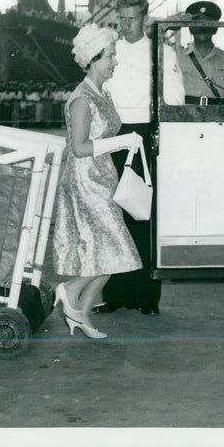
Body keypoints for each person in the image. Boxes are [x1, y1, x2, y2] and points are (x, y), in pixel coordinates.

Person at [51, 24, 144, 339]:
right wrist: (123, 141)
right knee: (114, 251)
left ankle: (80, 313)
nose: (115, 61)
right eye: (110, 56)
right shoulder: (81, 100)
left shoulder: (101, 93)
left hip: (104, 177)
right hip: (86, 180)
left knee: (110, 254)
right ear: (93, 58)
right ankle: (70, 291)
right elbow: (79, 148)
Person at [97, 0, 185, 315]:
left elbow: (175, 96)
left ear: (145, 18)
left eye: (132, 18)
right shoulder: (110, 51)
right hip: (114, 134)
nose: (126, 25)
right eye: (121, 19)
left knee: (143, 214)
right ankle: (116, 294)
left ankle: (147, 297)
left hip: (146, 134)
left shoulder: (161, 52)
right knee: (114, 213)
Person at [176, 1, 224, 105]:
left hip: (218, 119)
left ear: (215, 29)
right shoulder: (177, 57)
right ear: (190, 28)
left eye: (207, 24)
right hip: (185, 118)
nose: (202, 28)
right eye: (198, 24)